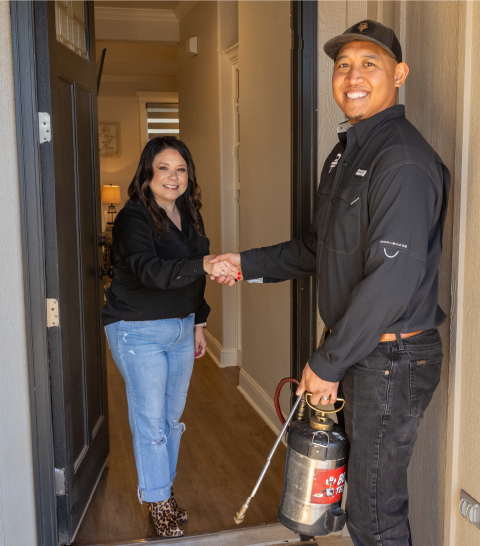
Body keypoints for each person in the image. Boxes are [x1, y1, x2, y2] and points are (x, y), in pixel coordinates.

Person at [210, 20, 450, 546]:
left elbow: (393, 279)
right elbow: (319, 248)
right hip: (362, 348)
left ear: (400, 74)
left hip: (392, 358)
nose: (353, 76)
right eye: (343, 65)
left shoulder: (403, 161)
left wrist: (328, 361)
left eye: (370, 64)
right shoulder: (345, 154)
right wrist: (245, 263)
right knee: (354, 499)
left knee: (372, 512)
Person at [102, 137, 240, 538]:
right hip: (136, 330)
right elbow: (149, 271)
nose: (173, 177)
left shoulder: (189, 214)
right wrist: (205, 263)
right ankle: (159, 501)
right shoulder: (133, 218)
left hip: (181, 329)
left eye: (180, 169)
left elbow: (194, 278)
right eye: (163, 168)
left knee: (170, 420)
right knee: (150, 422)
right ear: (147, 173)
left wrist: (198, 323)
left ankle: (163, 490)